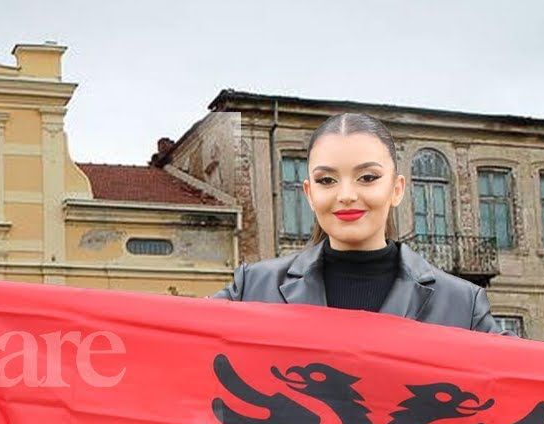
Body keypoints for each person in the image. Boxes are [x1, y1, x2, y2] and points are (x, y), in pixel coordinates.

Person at [215, 112, 509, 335]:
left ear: (397, 189)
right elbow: (177, 343)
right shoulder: (252, 290)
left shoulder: (462, 306)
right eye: (326, 180)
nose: (346, 195)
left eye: (368, 178)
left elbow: (523, 385)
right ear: (309, 193)